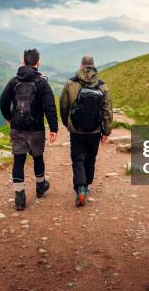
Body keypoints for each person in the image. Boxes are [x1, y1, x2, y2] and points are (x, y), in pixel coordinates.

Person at [0, 49, 58, 211]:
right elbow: (50, 106)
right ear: (38, 63)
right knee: (38, 157)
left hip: (17, 128)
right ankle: (40, 187)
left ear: (23, 61)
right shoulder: (42, 83)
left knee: (19, 160)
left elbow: (3, 101)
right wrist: (53, 128)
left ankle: (19, 197)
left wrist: (9, 118)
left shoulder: (13, 81)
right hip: (36, 128)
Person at [59, 55, 112, 207]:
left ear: (81, 65)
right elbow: (107, 110)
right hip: (95, 131)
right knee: (91, 158)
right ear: (94, 66)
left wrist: (67, 123)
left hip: (76, 130)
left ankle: (80, 187)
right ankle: (86, 186)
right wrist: (106, 131)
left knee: (78, 158)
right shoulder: (102, 85)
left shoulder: (71, 83)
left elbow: (63, 106)